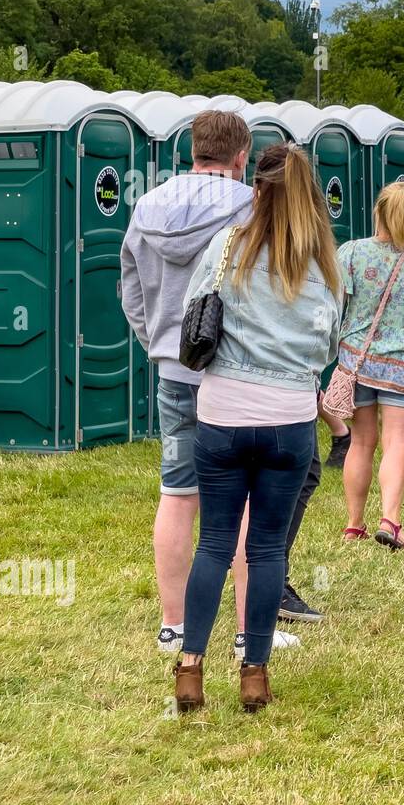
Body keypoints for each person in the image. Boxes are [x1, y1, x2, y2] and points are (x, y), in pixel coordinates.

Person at [120, 110, 319, 657]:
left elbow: (131, 290)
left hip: (172, 367)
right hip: (237, 374)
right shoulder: (250, 206)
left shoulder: (146, 206)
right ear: (240, 157)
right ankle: (245, 632)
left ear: (192, 150)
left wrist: (160, 344)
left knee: (177, 493)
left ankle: (173, 626)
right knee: (247, 505)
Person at [172, 144, 341, 713]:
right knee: (267, 548)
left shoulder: (228, 247)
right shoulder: (320, 261)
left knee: (215, 543)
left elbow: (196, 313)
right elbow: (327, 345)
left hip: (222, 412)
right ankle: (254, 672)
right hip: (289, 419)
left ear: (258, 188)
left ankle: (190, 669)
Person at [336, 182, 404, 550]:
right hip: (403, 362)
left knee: (361, 441)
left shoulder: (351, 253)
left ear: (377, 212)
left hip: (358, 358)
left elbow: (335, 302)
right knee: (396, 440)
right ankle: (390, 520)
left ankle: (354, 524)